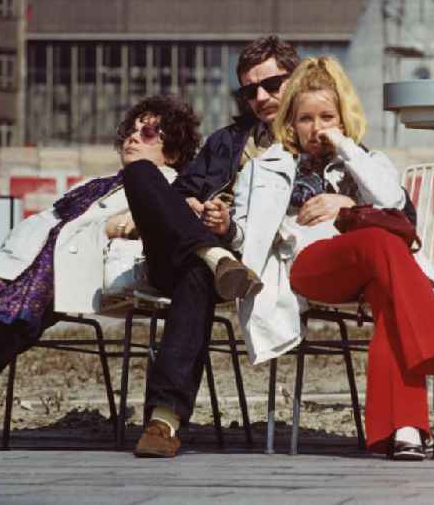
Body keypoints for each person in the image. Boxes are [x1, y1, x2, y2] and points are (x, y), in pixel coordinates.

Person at [0, 95, 201, 453]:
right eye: (131, 129)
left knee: (9, 318)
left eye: (150, 131)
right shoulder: (104, 181)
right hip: (35, 255)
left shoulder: (168, 185)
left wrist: (119, 226)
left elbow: (164, 223)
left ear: (171, 152)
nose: (134, 137)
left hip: (85, 267)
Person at [214, 56, 434, 461]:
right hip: (307, 266)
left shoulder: (367, 161)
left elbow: (395, 203)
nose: (316, 128)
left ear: (343, 119)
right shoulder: (264, 168)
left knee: (391, 302)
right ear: (290, 121)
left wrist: (344, 185)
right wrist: (224, 228)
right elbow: (248, 237)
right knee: (379, 242)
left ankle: (405, 431)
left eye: (327, 117)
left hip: (371, 266)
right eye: (306, 118)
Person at [124, 35, 302, 458]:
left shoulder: (313, 138)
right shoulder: (227, 141)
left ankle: (163, 419)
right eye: (249, 90)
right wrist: (191, 204)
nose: (260, 97)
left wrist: (228, 226)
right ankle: (212, 254)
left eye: (271, 85)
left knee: (197, 276)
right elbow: (184, 189)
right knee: (140, 173)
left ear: (296, 79)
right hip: (195, 251)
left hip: (251, 259)